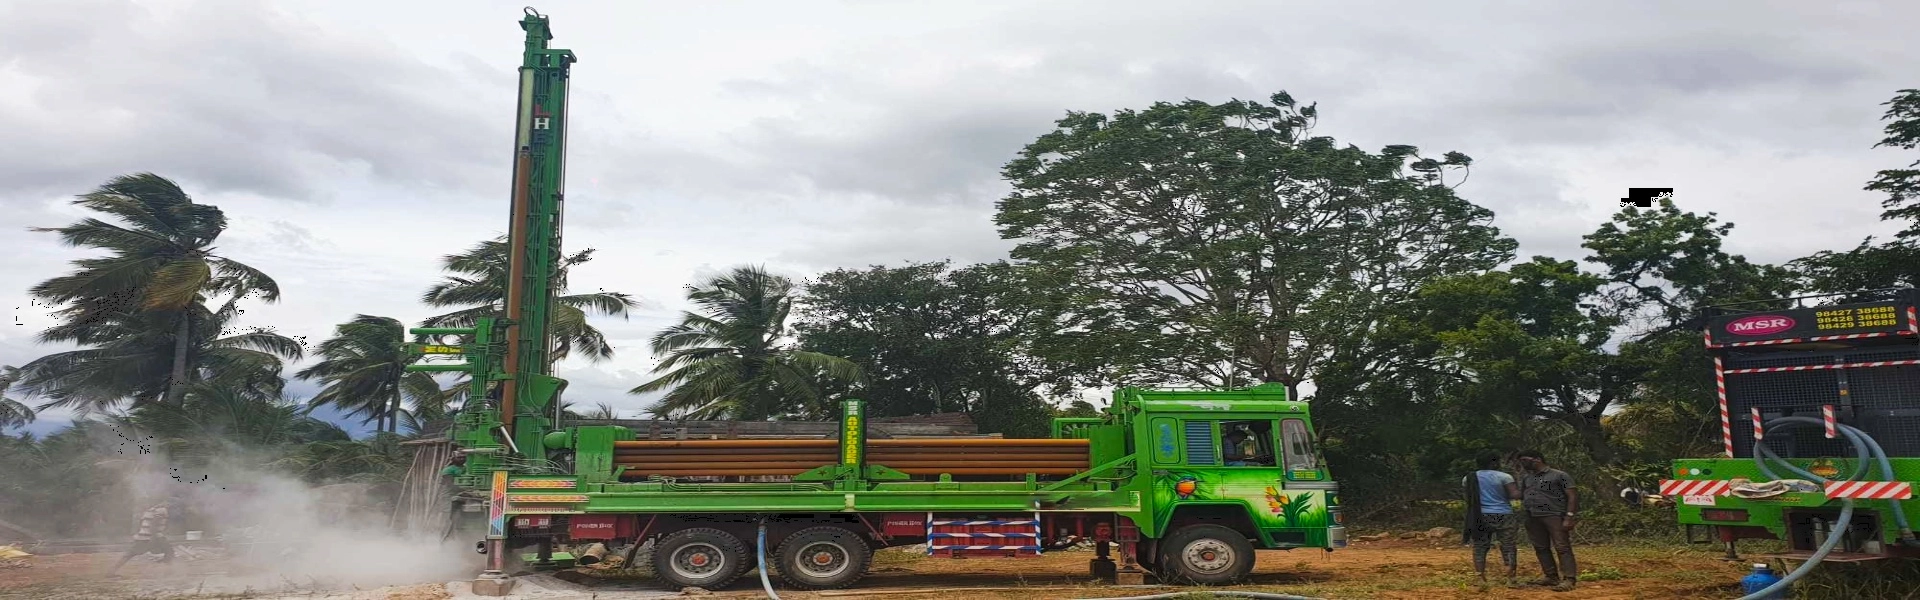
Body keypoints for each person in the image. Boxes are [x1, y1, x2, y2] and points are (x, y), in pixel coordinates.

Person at [1516, 449, 1579, 592]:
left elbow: (1572, 496)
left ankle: (1569, 578)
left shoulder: (1559, 475)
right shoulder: (1527, 478)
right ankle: (1551, 576)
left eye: (1525, 460)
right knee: (1541, 547)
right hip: (1533, 516)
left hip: (1554, 515)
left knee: (1562, 546)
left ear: (1537, 459)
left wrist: (1569, 516)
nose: (1523, 464)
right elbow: (1522, 495)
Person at [1461, 451, 1521, 587]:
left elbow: (1468, 498)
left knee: (1480, 546)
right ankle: (1511, 578)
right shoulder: (1504, 477)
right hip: (1503, 514)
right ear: (1494, 462)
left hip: (1479, 515)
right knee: (1508, 546)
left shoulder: (1468, 478)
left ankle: (1480, 578)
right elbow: (1515, 495)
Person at [109, 495, 178, 574]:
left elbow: (142, 523)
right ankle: (168, 570)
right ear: (164, 502)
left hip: (142, 536)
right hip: (153, 536)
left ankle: (111, 571)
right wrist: (153, 538)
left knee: (129, 554)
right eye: (169, 503)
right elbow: (153, 524)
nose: (170, 505)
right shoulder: (162, 510)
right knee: (169, 551)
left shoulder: (150, 510)